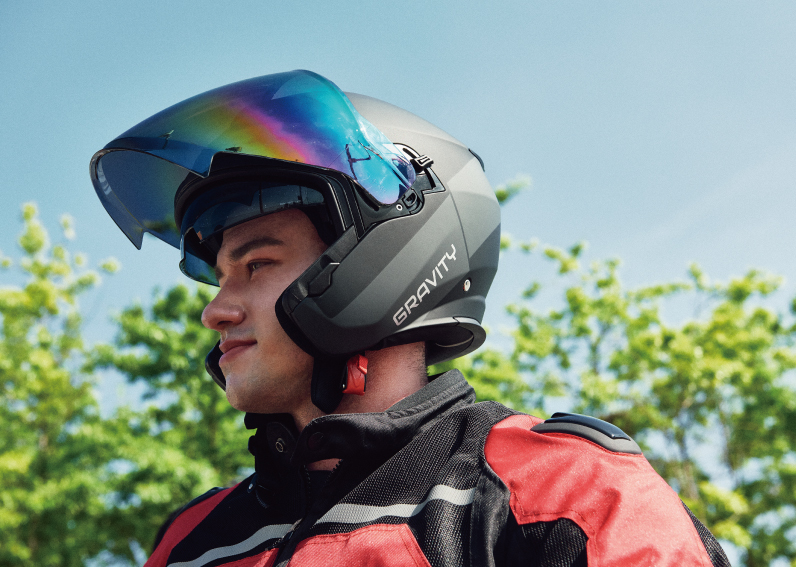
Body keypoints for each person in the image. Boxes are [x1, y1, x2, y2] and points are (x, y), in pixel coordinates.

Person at [90, 70, 730, 567]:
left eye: (256, 265)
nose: (215, 310)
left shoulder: (564, 493)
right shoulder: (191, 542)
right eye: (217, 277)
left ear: (379, 259)